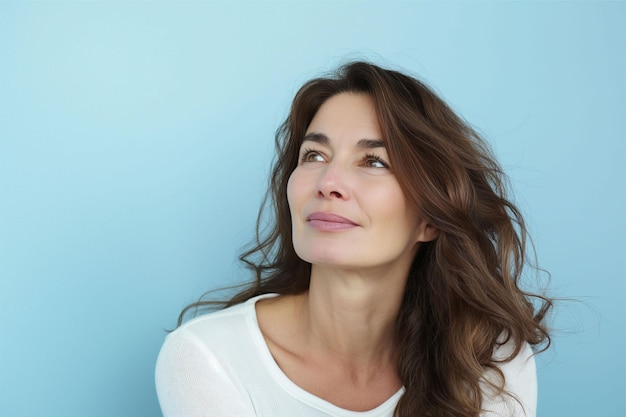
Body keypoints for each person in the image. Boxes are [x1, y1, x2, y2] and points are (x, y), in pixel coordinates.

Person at [155, 61, 551, 417]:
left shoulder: (489, 360)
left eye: (374, 162)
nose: (329, 184)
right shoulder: (207, 360)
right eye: (314, 155)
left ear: (430, 219)